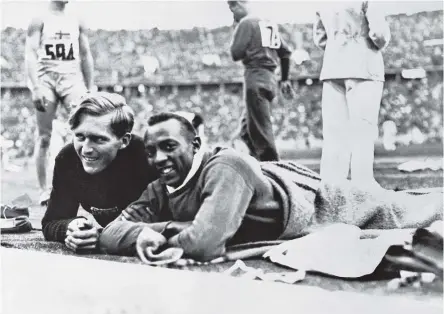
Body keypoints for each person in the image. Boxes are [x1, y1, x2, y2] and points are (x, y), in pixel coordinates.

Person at [98, 113, 442, 261]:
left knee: (426, 210)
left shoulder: (226, 165)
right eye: (150, 151)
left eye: (169, 147)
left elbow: (204, 243)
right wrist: (150, 233)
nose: (158, 158)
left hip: (347, 207)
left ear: (195, 144)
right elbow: (110, 232)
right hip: (308, 219)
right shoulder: (161, 187)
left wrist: (158, 229)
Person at [41, 92, 157, 252]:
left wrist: (102, 237)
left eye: (99, 139)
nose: (86, 149)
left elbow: (165, 222)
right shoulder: (67, 158)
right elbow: (51, 222)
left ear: (124, 141)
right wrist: (72, 227)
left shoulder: (147, 159)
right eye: (80, 137)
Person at [313, 2, 391, 187]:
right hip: (364, 65)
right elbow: (379, 34)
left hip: (333, 67)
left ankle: (332, 187)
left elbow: (320, 39)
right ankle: (362, 184)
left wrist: (337, 46)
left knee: (334, 135)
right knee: (362, 131)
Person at [26, 0, 94, 205]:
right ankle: (43, 190)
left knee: (86, 131)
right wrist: (35, 87)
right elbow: (30, 53)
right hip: (46, 77)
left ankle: (83, 185)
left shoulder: (76, 19)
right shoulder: (40, 19)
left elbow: (85, 54)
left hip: (72, 78)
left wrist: (90, 87)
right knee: (44, 137)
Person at [227, 0, 294, 162]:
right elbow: (285, 53)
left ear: (238, 5)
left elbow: (236, 53)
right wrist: (284, 79)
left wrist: (237, 29)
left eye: (232, 9)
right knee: (246, 130)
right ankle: (252, 165)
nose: (232, 14)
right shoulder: (267, 24)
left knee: (260, 134)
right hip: (270, 80)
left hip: (255, 77)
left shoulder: (246, 23)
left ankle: (274, 170)